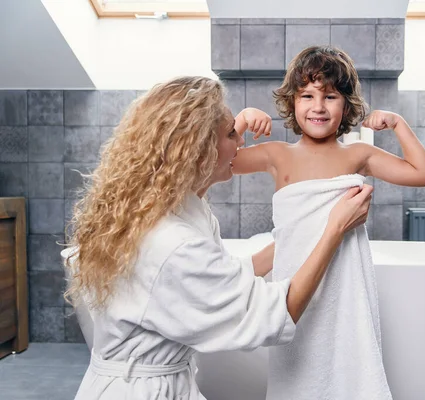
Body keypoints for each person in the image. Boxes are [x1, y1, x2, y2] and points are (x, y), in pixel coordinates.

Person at [63, 76, 373, 400]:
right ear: (197, 149)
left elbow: (224, 273)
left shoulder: (163, 210)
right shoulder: (174, 244)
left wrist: (306, 232)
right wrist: (334, 231)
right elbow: (275, 313)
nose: (240, 142)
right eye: (230, 133)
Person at [232, 45, 425, 399]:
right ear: (292, 103)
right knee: (299, 371)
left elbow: (423, 174)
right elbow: (218, 163)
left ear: (345, 106)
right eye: (307, 95)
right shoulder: (277, 155)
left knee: (344, 374)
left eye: (330, 96)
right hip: (295, 290)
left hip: (343, 298)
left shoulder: (357, 155)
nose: (318, 106)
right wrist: (240, 122)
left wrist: (399, 125)